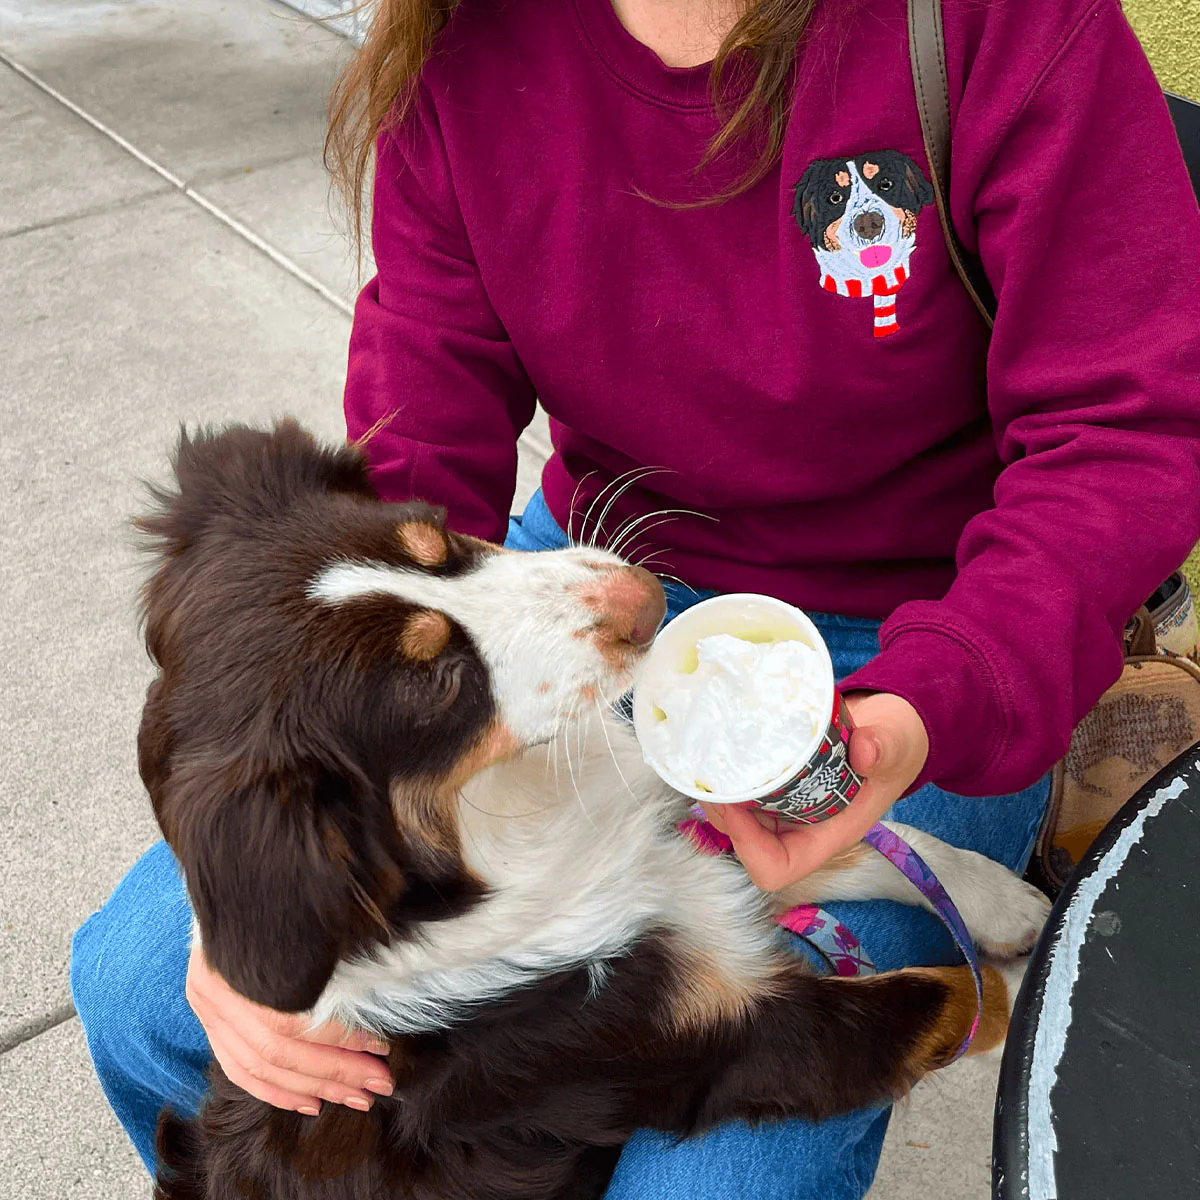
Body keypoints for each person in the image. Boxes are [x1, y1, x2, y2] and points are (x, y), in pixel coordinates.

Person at [71, 0, 1200, 1196]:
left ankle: (1052, 746)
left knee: (731, 1182)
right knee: (142, 992)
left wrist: (950, 693)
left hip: (922, 630)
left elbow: (1124, 432)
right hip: (605, 557)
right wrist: (242, 897)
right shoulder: (458, 48)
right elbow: (415, 453)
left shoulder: (996, 27)